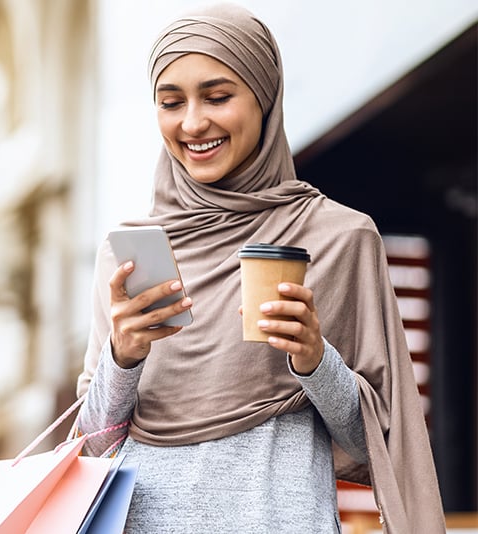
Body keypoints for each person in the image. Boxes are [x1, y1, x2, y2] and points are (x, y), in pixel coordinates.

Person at [74, 3, 446, 533]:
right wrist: (123, 357)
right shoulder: (129, 253)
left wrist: (316, 361)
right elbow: (93, 444)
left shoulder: (339, 240)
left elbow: (380, 443)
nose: (193, 122)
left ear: (265, 98)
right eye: (170, 102)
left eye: (218, 96)